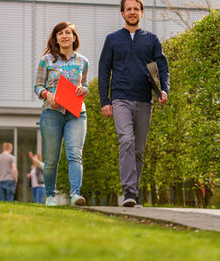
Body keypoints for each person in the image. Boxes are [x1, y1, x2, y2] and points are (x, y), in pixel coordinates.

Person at [98, 0, 169, 207]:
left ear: (141, 12)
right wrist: (105, 100)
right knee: (126, 140)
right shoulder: (112, 40)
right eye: (128, 9)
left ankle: (134, 194)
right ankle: (129, 192)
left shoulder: (152, 40)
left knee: (138, 149)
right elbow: (104, 71)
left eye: (135, 9)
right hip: (120, 98)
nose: (132, 12)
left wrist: (164, 89)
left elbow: (161, 67)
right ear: (122, 13)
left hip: (144, 100)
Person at [34, 21, 89, 206]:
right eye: (60, 34)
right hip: (52, 113)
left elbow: (85, 84)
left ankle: (75, 195)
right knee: (51, 158)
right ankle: (50, 195)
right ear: (56, 39)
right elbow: (38, 86)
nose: (64, 36)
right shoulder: (47, 60)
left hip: (76, 113)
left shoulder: (83, 61)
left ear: (74, 37)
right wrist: (47, 94)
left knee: (75, 154)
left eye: (68, 33)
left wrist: (84, 90)